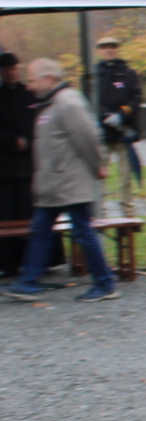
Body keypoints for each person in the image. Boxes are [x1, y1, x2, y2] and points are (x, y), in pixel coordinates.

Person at [2, 58, 117, 302]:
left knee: (81, 232)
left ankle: (105, 283)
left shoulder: (67, 102)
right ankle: (28, 282)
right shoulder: (50, 104)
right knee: (42, 231)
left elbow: (88, 137)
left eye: (33, 80)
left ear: (48, 78)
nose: (29, 86)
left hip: (69, 183)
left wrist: (98, 165)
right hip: (54, 185)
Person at [93, 36, 145, 215]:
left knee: (125, 175)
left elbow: (136, 98)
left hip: (123, 131)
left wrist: (122, 115)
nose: (109, 50)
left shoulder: (128, 73)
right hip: (102, 131)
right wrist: (105, 115)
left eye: (112, 47)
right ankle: (99, 210)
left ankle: (127, 210)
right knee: (99, 173)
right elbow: (91, 99)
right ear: (99, 50)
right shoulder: (94, 74)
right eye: (105, 47)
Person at [0, 54, 32, 276]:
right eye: (7, 70)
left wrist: (28, 140)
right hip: (5, 166)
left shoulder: (28, 93)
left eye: (14, 69)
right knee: (8, 213)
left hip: (28, 163)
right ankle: (9, 261)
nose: (12, 73)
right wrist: (12, 141)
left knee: (28, 212)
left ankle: (35, 259)